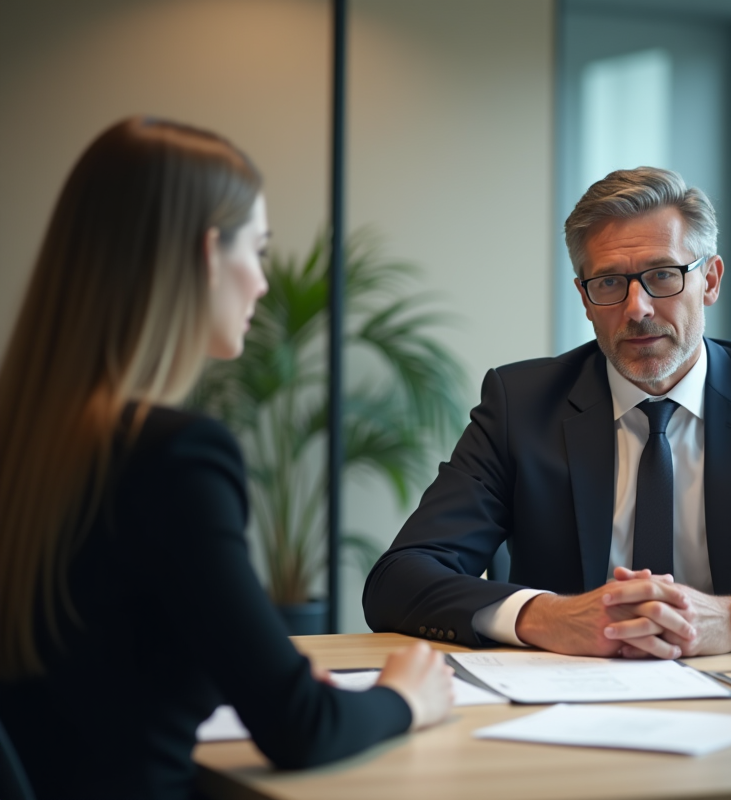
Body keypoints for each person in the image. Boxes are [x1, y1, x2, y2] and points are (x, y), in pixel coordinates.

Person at [0, 118, 454, 800]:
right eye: (260, 251)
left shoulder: (28, 442)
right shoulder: (171, 457)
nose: (265, 285)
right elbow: (301, 731)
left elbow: (103, 662)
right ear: (208, 254)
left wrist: (262, 668)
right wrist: (405, 697)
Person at [363, 167, 731, 659]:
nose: (637, 308)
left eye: (663, 275)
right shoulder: (521, 405)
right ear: (584, 298)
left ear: (710, 280)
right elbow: (399, 578)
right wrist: (549, 616)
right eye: (609, 283)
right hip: (563, 699)